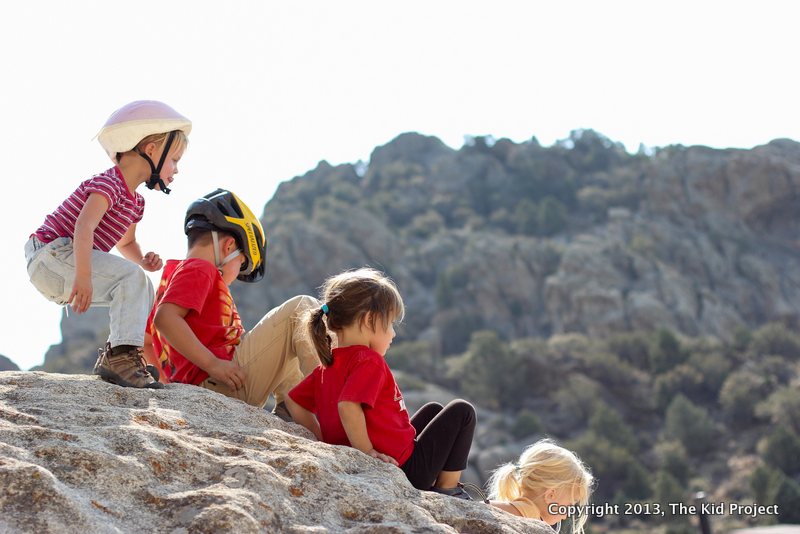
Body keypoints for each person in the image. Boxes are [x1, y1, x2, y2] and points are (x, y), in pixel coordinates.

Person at [24, 100, 191, 389]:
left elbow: (127, 242)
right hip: (50, 253)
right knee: (132, 279)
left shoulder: (136, 202)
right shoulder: (109, 183)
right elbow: (83, 226)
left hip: (64, 262)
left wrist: (142, 260)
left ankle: (120, 357)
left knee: (139, 282)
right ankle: (120, 359)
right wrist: (84, 276)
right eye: (174, 159)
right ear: (151, 149)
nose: (176, 169)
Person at [286, 268, 478, 499]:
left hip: (395, 456)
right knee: (462, 411)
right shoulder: (369, 360)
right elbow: (348, 406)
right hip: (407, 469)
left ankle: (440, 482)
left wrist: (323, 440)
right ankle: (449, 491)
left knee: (434, 410)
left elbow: (293, 401)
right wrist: (366, 452)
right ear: (370, 320)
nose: (393, 334)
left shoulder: (329, 365)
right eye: (390, 324)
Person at [146, 189, 319, 411]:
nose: (237, 276)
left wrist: (168, 389)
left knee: (286, 340)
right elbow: (166, 319)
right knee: (302, 309)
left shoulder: (167, 282)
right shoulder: (201, 268)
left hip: (207, 387)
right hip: (220, 383)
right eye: (241, 263)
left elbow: (146, 341)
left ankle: (291, 410)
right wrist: (213, 364)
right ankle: (326, 399)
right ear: (228, 246)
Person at [486, 439, 594, 533]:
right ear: (550, 495)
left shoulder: (486, 508)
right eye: (568, 506)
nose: (566, 515)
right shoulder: (535, 528)